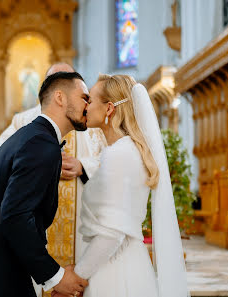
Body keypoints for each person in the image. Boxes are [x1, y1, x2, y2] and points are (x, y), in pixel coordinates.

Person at [0, 71, 90, 297]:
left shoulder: (31, 136)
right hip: (0, 277)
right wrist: (56, 277)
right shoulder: (40, 144)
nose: (88, 105)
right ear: (60, 98)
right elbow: (15, 217)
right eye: (84, 97)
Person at [53, 74, 189, 297]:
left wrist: (77, 276)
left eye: (91, 101)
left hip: (115, 272)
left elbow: (111, 233)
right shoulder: (123, 151)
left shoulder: (120, 155)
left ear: (109, 109)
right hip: (120, 263)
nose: (85, 107)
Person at [0, 63, 107, 267]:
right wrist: (44, 168)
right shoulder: (23, 121)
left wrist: (83, 166)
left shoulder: (89, 122)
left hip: (80, 215)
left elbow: (110, 159)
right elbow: (2, 161)